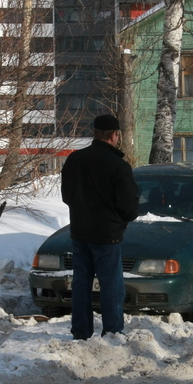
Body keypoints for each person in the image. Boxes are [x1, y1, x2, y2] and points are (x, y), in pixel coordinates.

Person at [61, 114, 139, 339]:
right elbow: (129, 207)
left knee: (81, 284)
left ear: (95, 133)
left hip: (80, 232)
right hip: (108, 236)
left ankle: (81, 331)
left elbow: (67, 196)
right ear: (115, 136)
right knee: (111, 286)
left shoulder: (75, 160)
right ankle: (113, 332)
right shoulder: (119, 166)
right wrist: (120, 218)